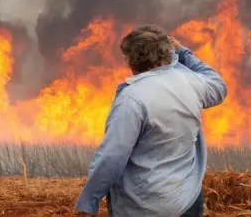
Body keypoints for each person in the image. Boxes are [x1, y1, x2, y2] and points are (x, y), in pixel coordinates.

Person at [74, 25, 227, 216]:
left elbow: (112, 156)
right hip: (188, 201)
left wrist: (89, 200)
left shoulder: (132, 99)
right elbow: (218, 86)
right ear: (165, 55)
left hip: (145, 205)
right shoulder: (191, 82)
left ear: (130, 60)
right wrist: (182, 53)